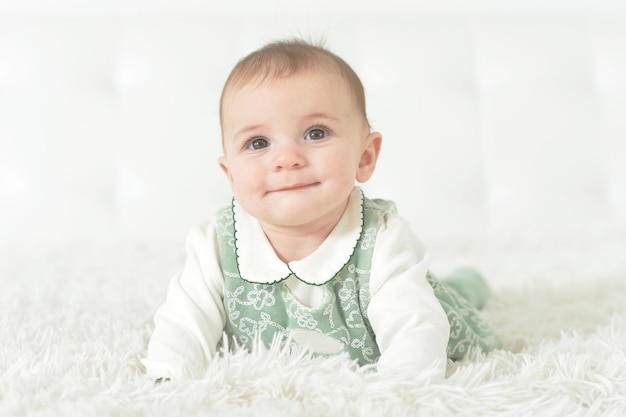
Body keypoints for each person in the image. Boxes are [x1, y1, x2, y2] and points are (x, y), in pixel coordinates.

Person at [142, 38, 501, 382]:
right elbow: (184, 321)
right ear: (231, 175)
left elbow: (414, 327)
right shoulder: (216, 244)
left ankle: (469, 283)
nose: (286, 159)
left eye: (315, 133)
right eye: (258, 142)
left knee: (446, 296)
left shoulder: (383, 237)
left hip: (408, 300)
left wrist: (402, 389)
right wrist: (168, 374)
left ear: (365, 156)